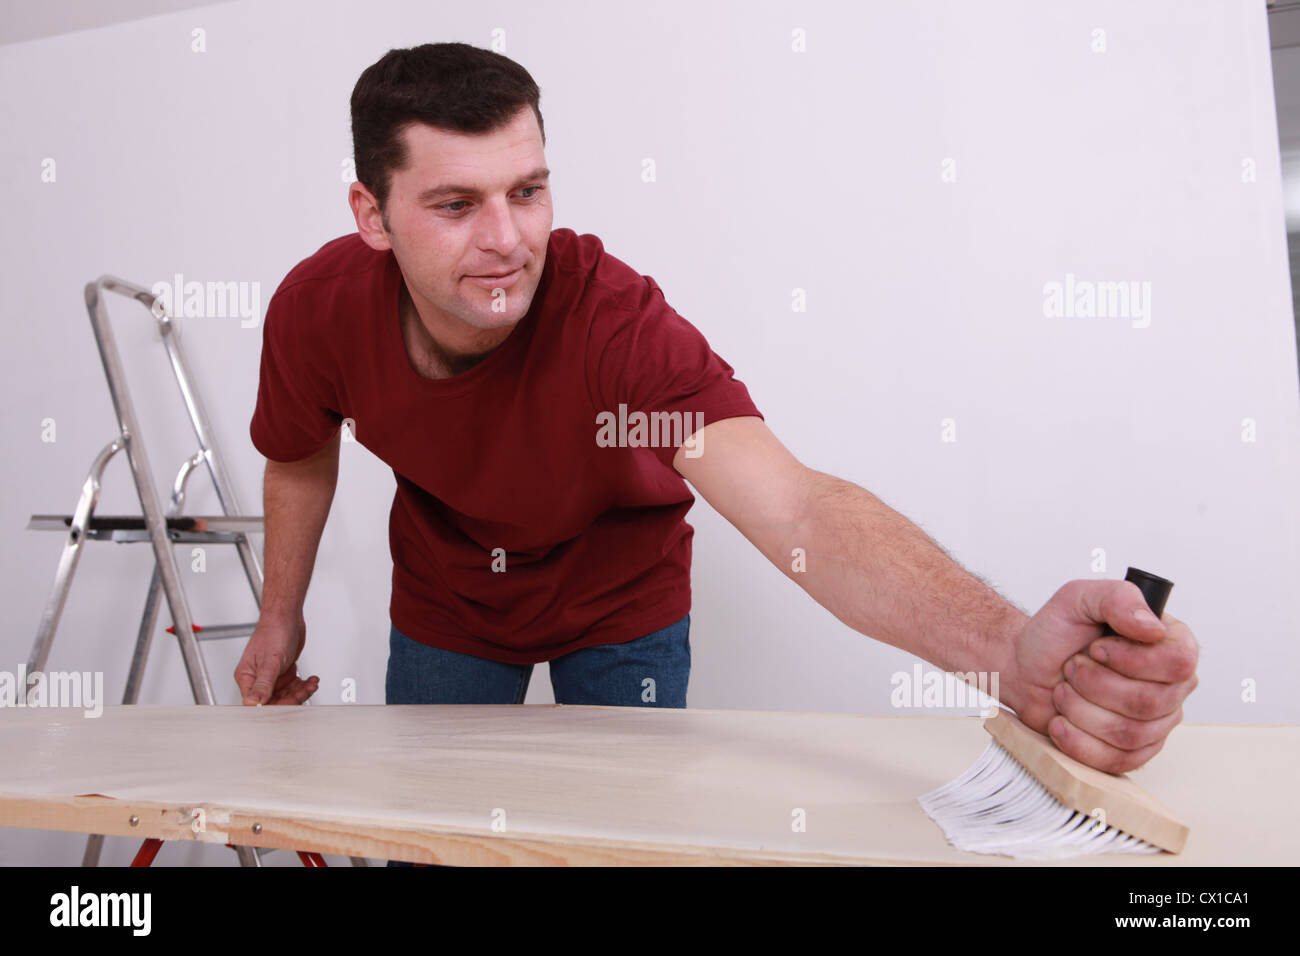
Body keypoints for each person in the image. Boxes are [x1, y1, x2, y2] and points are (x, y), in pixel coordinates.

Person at [236, 42, 1198, 782]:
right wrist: (281, 618)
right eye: (455, 205)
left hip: (620, 600)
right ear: (372, 215)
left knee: (628, 838)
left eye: (527, 192)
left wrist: (1008, 652)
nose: (507, 240)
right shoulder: (315, 313)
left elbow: (800, 511)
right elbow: (298, 454)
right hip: (452, 602)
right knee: (433, 834)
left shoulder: (614, 322)